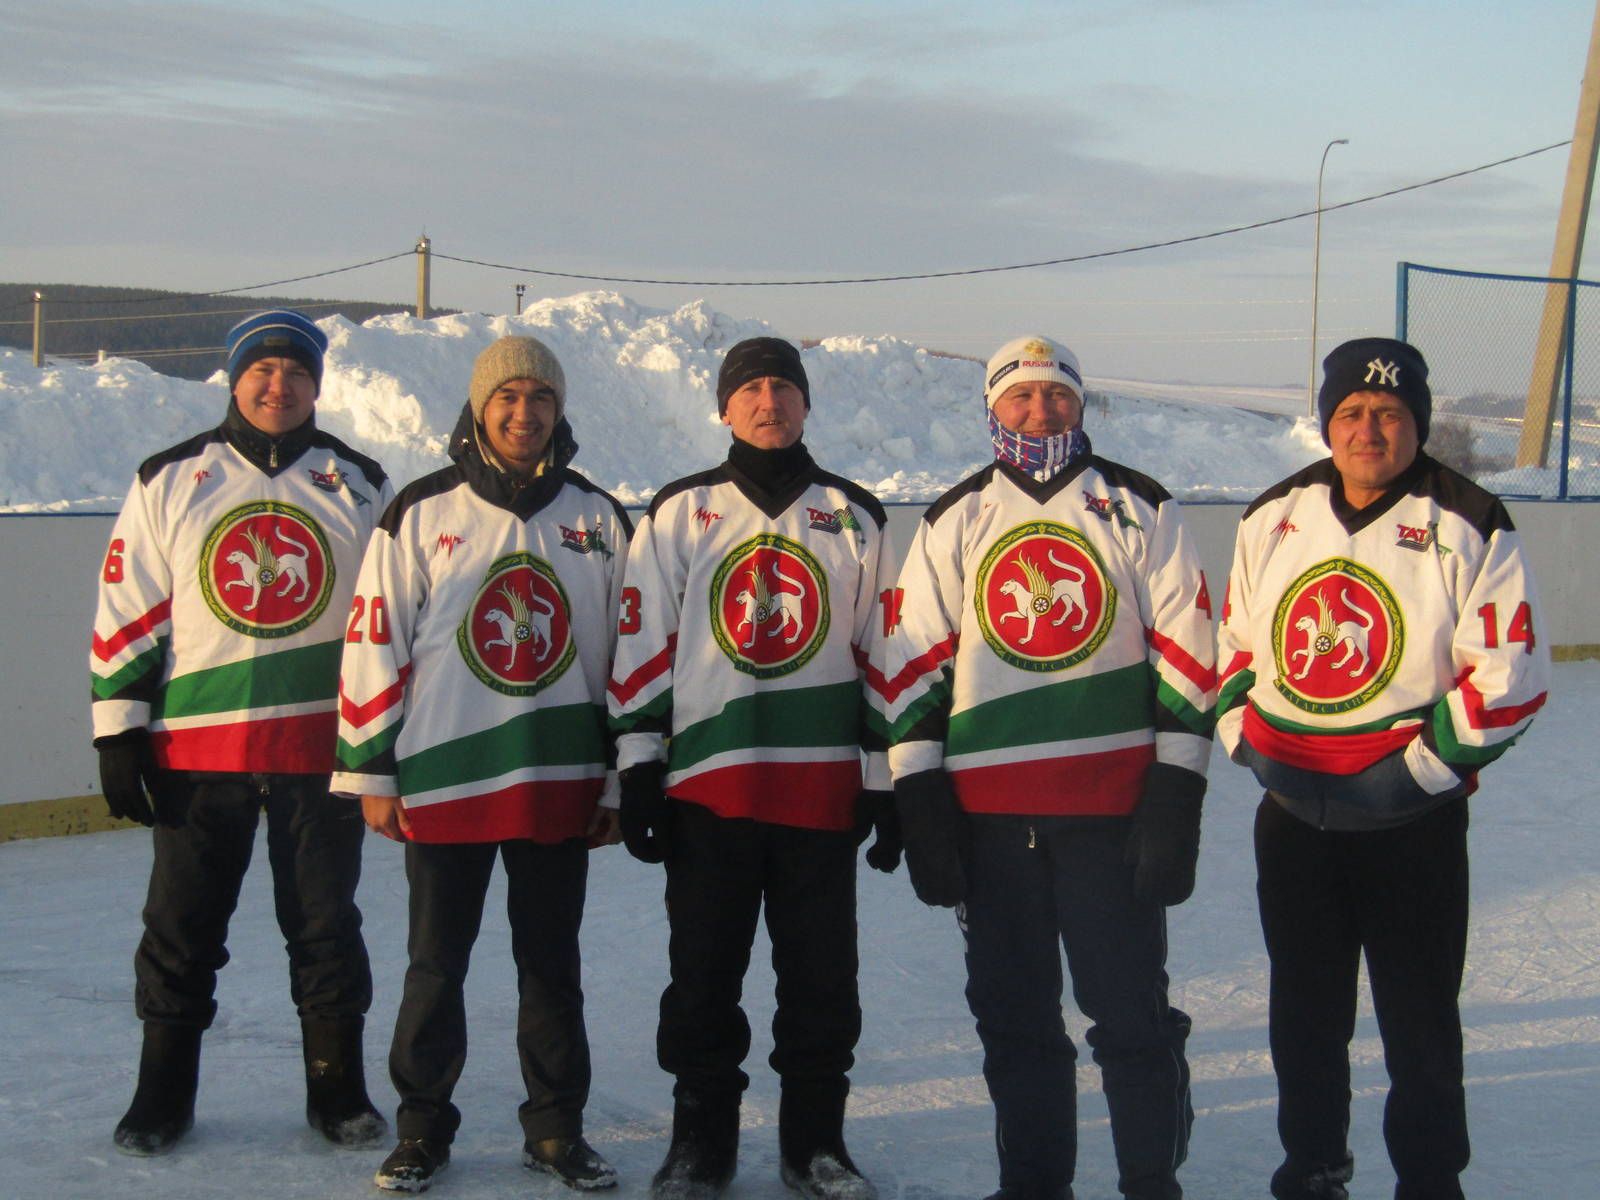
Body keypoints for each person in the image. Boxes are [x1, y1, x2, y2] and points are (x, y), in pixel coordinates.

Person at [877, 335, 1216, 1200]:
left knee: (1130, 1018)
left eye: (1056, 396)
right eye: (1020, 397)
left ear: (1081, 404)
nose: (1040, 411)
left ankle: (1151, 1182)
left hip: (1112, 818)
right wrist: (922, 801)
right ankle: (1034, 1186)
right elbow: (912, 666)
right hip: (992, 829)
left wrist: (1176, 795)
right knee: (1017, 1023)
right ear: (992, 409)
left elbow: (1189, 657)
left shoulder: (1139, 507)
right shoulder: (956, 517)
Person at [1217, 337, 1551, 1200]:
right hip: (1295, 821)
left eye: (1391, 414)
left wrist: (1417, 774)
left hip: (1411, 827)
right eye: (1352, 413)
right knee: (1304, 1018)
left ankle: (1430, 1181)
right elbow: (1235, 649)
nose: (1371, 429)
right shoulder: (1272, 515)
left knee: (1420, 1027)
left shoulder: (1470, 518)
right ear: (1328, 422)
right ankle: (1314, 1165)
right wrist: (1247, 741)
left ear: (1418, 423)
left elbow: (1512, 676)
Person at [89, 308, 393, 1156]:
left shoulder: (360, 481)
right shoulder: (171, 477)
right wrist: (119, 732)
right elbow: (127, 611)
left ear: (317, 385)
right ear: (234, 379)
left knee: (326, 928)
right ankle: (162, 1095)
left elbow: (393, 620)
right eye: (262, 369)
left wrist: (386, 741)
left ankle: (338, 1092)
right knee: (181, 928)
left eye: (296, 371)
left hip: (317, 755)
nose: (278, 384)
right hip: (198, 753)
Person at [331, 335, 630, 1194]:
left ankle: (556, 1130)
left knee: (551, 965)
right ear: (479, 407)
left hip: (556, 777)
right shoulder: (421, 511)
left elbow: (630, 657)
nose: (524, 414)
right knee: (437, 964)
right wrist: (373, 772)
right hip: (444, 777)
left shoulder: (599, 518)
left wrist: (616, 780)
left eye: (540, 398)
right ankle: (422, 1128)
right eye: (508, 398)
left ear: (559, 410)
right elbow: (373, 640)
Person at [607, 336, 901, 1200]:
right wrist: (637, 767)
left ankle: (816, 1144)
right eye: (750, 389)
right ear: (724, 409)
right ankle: (702, 1142)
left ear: (807, 405)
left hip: (818, 795)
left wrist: (885, 784)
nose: (768, 400)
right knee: (702, 980)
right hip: (709, 795)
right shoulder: (679, 512)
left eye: (783, 386)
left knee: (821, 984)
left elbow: (888, 653)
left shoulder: (856, 515)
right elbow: (641, 646)